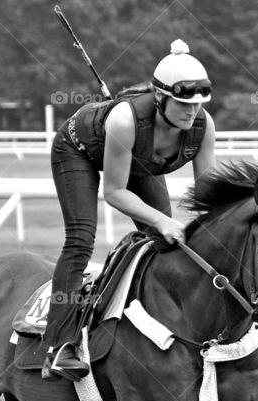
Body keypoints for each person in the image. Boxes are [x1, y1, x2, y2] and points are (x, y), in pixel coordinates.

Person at [42, 39, 217, 381]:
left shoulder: (202, 125)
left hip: (139, 161)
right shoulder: (125, 121)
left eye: (197, 104)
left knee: (169, 243)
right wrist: (162, 219)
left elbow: (209, 193)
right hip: (78, 150)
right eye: (183, 103)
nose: (191, 112)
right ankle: (60, 345)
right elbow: (115, 192)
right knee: (80, 239)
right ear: (160, 96)